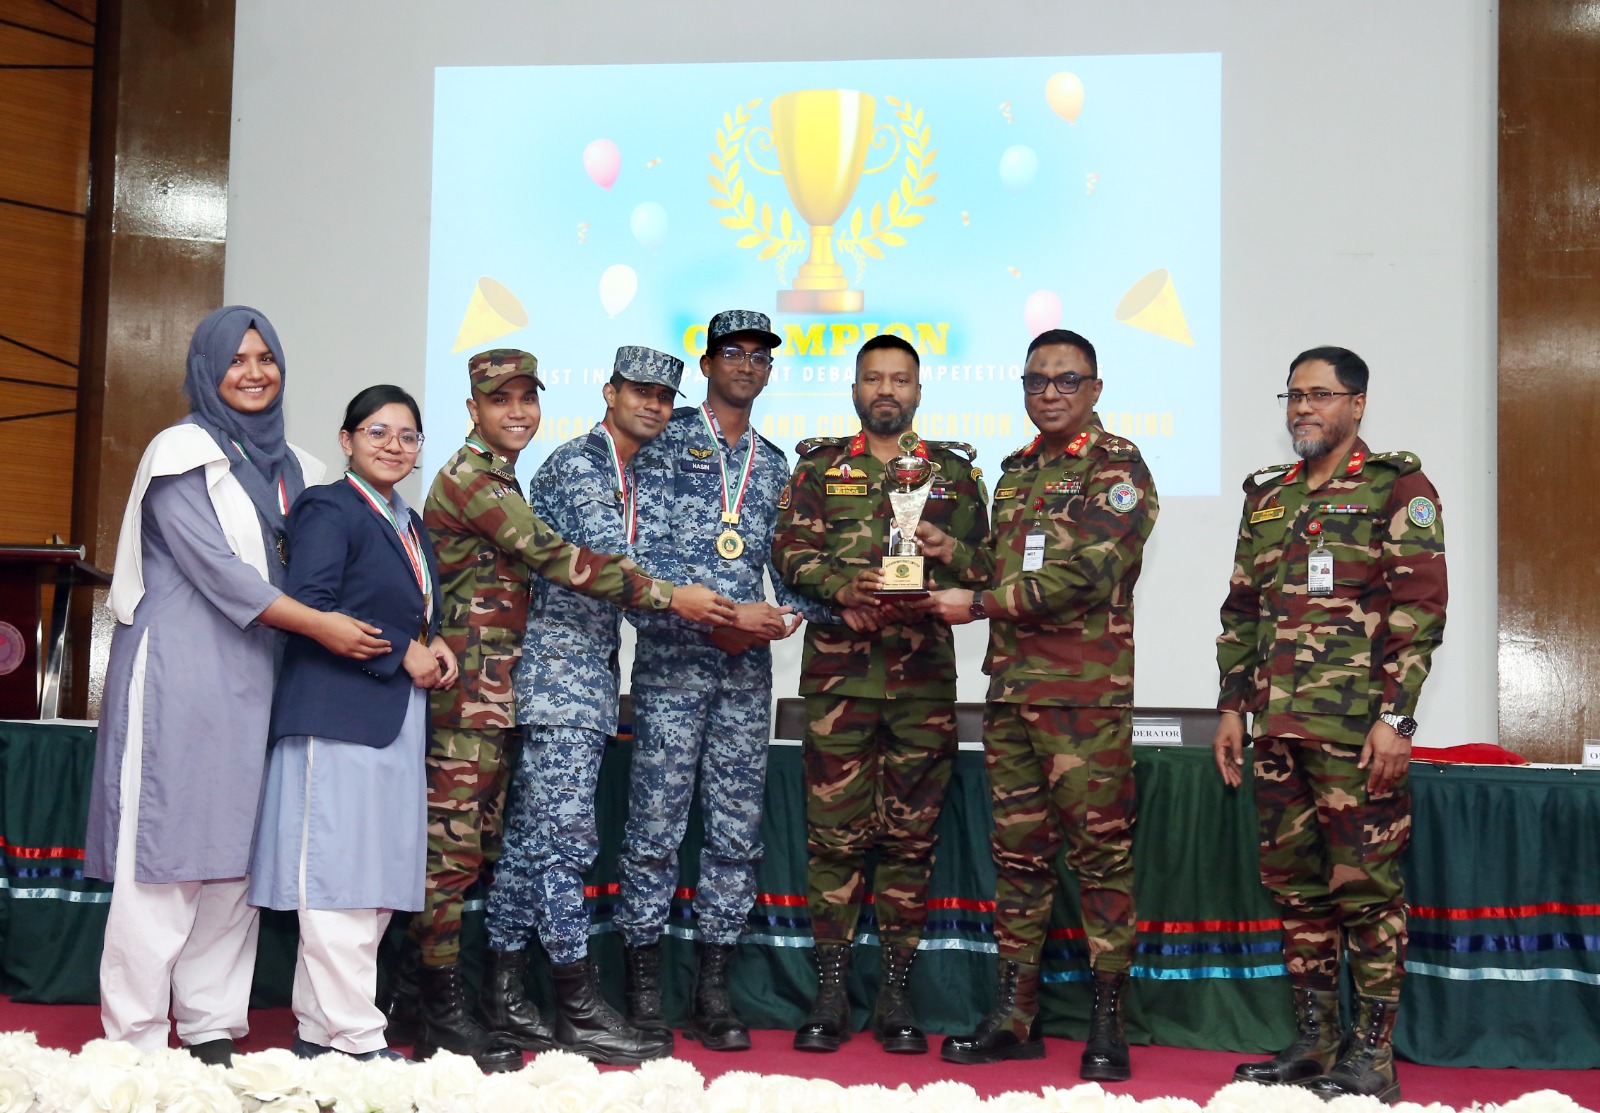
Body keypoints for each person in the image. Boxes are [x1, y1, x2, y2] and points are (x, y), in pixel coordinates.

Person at [397, 349, 735, 1071]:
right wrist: (687, 601)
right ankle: (566, 1004)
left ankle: (495, 998)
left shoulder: (514, 475)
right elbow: (568, 559)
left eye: (528, 398)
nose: (518, 411)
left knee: (513, 847)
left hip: (510, 688)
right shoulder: (513, 475)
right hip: (517, 687)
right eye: (501, 400)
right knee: (527, 848)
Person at [86, 306, 389, 1063]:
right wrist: (321, 626)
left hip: (267, 678)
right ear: (206, 370)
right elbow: (219, 571)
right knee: (164, 855)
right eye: (236, 360)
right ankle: (134, 1035)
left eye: (266, 358)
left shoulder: (303, 470)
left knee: (235, 859)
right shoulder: (180, 452)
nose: (254, 372)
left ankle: (210, 1021)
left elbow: (332, 571)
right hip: (182, 674)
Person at [922, 328, 1159, 1079]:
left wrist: (977, 603)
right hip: (1012, 693)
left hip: (1084, 700)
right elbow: (1008, 566)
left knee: (1099, 858)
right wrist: (952, 553)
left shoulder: (1117, 467)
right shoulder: (1016, 471)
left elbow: (1086, 574)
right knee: (1018, 859)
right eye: (1036, 381)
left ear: (1095, 389)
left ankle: (1107, 1024)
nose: (1050, 393)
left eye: (1066, 380)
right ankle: (1014, 1016)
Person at [1213, 346, 1446, 1104]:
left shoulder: (1396, 487)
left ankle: (1372, 1056)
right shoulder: (1269, 495)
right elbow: (1242, 610)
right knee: (1298, 891)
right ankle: (1315, 1043)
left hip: (1355, 733)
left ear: (1357, 404)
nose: (1303, 408)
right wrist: (1232, 705)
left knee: (1366, 891)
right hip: (1277, 729)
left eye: (1320, 395)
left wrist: (1396, 719)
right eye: (1293, 396)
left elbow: (1420, 612)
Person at [485, 346, 711, 1066]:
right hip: (559, 681)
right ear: (609, 393)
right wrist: (714, 608)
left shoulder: (628, 472)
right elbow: (617, 566)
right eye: (640, 391)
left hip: (581, 678)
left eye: (665, 397)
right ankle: (576, 1006)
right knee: (564, 846)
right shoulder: (580, 466)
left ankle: (505, 995)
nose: (654, 405)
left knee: (530, 843)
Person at [771, 333, 989, 1055]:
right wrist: (842, 587)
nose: (886, 390)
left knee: (909, 840)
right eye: (873, 379)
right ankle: (830, 993)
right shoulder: (819, 466)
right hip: (840, 680)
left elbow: (989, 564)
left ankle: (896, 993)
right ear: (855, 390)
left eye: (900, 379)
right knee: (833, 839)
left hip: (922, 680)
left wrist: (946, 554)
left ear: (919, 392)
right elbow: (788, 550)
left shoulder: (954, 474)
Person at [615, 310, 824, 1051]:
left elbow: (789, 568)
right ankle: (643, 984)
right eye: (732, 352)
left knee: (735, 832)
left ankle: (713, 989)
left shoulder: (774, 464)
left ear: (769, 371)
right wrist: (713, 620)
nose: (746, 364)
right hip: (673, 661)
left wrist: (789, 614)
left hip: (743, 672)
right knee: (654, 827)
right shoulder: (659, 442)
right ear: (706, 365)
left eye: (759, 356)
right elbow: (632, 562)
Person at [249, 386, 454, 1063]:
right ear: (346, 440)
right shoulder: (328, 506)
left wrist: (434, 640)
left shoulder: (409, 522)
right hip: (336, 715)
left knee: (370, 886)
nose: (394, 445)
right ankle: (359, 1040)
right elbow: (312, 606)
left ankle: (320, 1032)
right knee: (336, 882)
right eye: (377, 431)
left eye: (407, 436)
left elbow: (407, 610)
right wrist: (400, 651)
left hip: (392, 717)